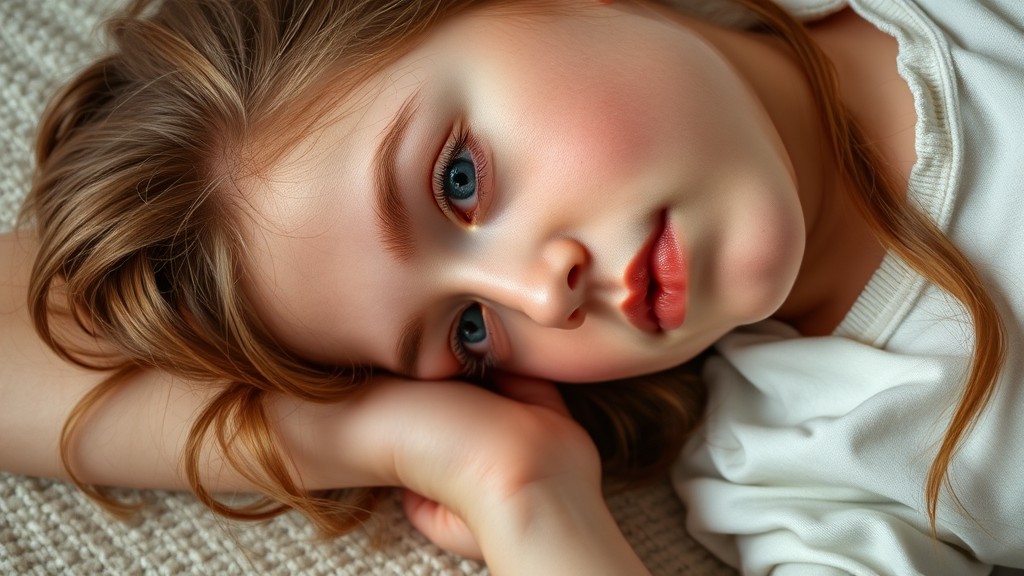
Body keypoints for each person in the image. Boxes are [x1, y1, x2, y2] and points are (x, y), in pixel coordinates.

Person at [0, 0, 1021, 574]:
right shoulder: (803, 475)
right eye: (471, 332)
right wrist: (500, 483)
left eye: (457, 180)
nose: (542, 295)